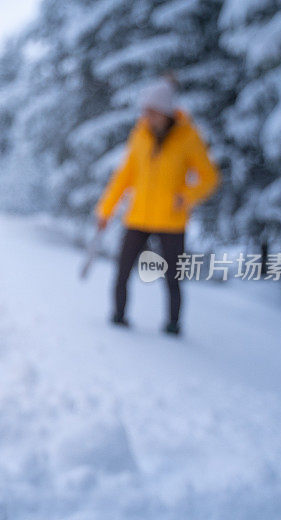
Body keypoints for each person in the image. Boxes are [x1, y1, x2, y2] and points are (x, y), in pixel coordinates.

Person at [95, 77, 219, 336]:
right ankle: (118, 317)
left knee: (173, 277)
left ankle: (173, 324)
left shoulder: (188, 137)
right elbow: (124, 176)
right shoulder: (140, 135)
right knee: (122, 271)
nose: (146, 116)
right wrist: (106, 210)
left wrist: (185, 196)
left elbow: (209, 177)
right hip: (138, 216)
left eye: (151, 111)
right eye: (145, 111)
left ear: (165, 112)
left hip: (171, 220)